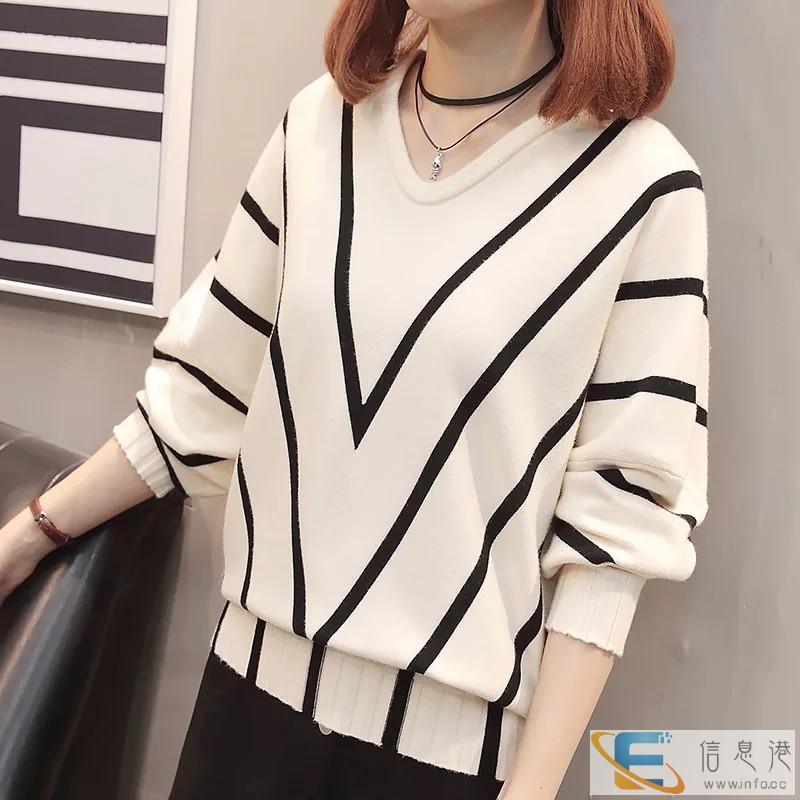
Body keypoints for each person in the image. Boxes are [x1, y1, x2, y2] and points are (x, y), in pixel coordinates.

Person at [0, 0, 711, 797]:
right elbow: (200, 399)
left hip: (443, 764)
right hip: (241, 714)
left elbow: (615, 535)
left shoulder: (643, 185)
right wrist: (29, 534)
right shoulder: (319, 126)